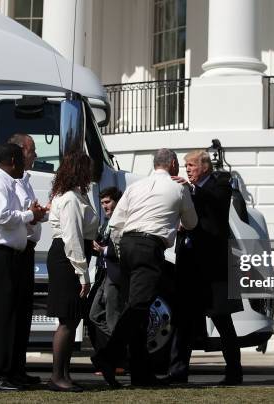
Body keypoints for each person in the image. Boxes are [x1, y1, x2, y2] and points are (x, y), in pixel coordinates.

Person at [92, 148, 197, 388]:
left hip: (127, 245)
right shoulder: (179, 188)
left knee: (137, 308)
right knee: (139, 307)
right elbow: (191, 222)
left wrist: (119, 251)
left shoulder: (135, 186)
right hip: (149, 246)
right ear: (172, 164)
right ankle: (108, 356)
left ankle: (141, 374)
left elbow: (117, 222)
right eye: (178, 164)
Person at [165, 149, 243, 386]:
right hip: (189, 265)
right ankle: (177, 372)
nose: (187, 169)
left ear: (205, 167)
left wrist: (190, 190)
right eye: (186, 165)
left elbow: (213, 203)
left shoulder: (220, 184)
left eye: (191, 165)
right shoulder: (189, 189)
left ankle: (234, 373)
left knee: (223, 322)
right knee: (183, 322)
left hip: (213, 269)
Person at [0, 143, 44, 391]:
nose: (26, 164)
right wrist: (28, 215)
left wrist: (30, 215)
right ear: (13, 160)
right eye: (22, 160)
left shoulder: (11, 183)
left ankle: (12, 371)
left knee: (13, 316)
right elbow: (1, 216)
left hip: (10, 255)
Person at [46, 151, 98, 392]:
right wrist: (83, 273)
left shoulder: (78, 195)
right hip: (67, 259)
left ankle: (64, 374)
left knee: (72, 318)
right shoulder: (70, 198)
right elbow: (72, 238)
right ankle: (57, 376)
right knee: (67, 319)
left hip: (71, 256)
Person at [7, 133, 45, 386]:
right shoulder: (10, 182)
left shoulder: (26, 180)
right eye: (32, 151)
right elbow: (11, 215)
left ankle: (18, 369)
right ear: (20, 152)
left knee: (23, 314)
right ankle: (9, 370)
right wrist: (33, 214)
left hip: (27, 249)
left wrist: (37, 213)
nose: (35, 156)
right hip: (16, 252)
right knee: (12, 314)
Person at [89, 187, 125, 354]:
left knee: (112, 317)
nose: (104, 206)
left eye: (108, 202)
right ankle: (118, 349)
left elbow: (122, 249)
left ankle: (118, 357)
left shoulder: (122, 220)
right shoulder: (106, 223)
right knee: (94, 315)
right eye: (102, 203)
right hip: (103, 274)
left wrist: (103, 250)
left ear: (117, 202)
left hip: (115, 274)